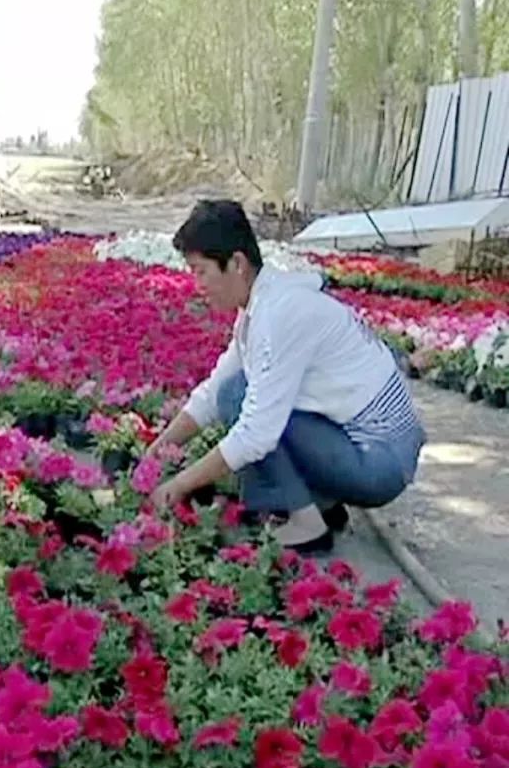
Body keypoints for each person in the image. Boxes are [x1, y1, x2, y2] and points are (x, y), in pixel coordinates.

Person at [147, 199, 427, 553]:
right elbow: (212, 391)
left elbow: (256, 433)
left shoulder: (281, 314)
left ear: (236, 263)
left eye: (200, 271)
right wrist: (158, 450)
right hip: (363, 449)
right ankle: (320, 506)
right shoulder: (263, 304)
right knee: (232, 391)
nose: (196, 283)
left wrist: (178, 486)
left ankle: (307, 524)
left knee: (241, 397)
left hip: (380, 461)